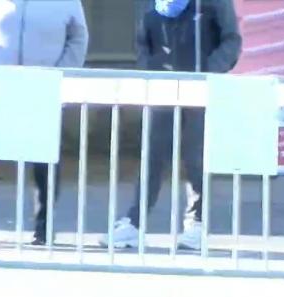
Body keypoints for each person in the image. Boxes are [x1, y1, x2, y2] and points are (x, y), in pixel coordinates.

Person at [98, 0, 241, 251]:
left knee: (195, 159)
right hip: (162, 90)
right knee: (152, 157)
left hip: (199, 91)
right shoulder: (149, 4)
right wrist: (150, 72)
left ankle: (195, 225)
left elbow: (231, 40)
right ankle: (133, 224)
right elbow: (143, 41)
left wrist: (208, 71)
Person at [0, 0, 89, 247]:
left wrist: (60, 76)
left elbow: (78, 36)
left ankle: (44, 228)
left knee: (45, 161)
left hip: (44, 89)